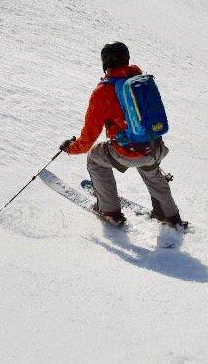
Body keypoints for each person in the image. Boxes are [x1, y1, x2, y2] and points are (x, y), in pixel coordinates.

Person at [61, 41, 183, 228]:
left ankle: (109, 210)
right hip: (154, 147)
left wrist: (71, 148)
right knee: (150, 170)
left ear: (105, 63)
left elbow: (87, 139)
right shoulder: (140, 80)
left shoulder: (103, 91)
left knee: (95, 157)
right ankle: (169, 215)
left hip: (128, 152)